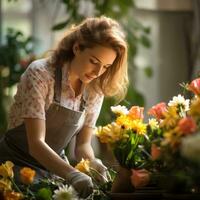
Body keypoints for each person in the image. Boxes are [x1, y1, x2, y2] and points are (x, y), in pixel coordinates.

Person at [0, 16, 128, 198]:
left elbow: (82, 145)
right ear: (77, 48)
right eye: (94, 61)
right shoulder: (41, 75)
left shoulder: (94, 90)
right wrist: (73, 174)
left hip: (54, 171)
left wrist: (94, 163)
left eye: (106, 66)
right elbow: (36, 145)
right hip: (12, 169)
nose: (98, 72)